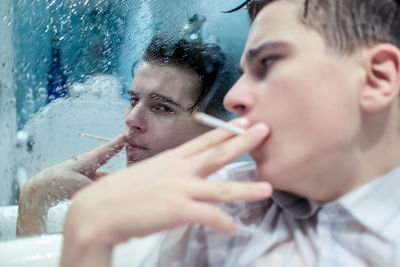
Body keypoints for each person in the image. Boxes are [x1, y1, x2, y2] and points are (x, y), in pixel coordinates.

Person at [61, 0, 400, 266]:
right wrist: (86, 238)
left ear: (377, 78)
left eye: (267, 63)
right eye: (133, 100)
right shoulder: (219, 218)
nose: (234, 99)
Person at [16, 38, 229, 236]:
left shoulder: (214, 229)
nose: (131, 119)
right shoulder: (136, 212)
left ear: (213, 128)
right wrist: (37, 194)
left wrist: (34, 198)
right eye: (134, 100)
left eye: (163, 107)